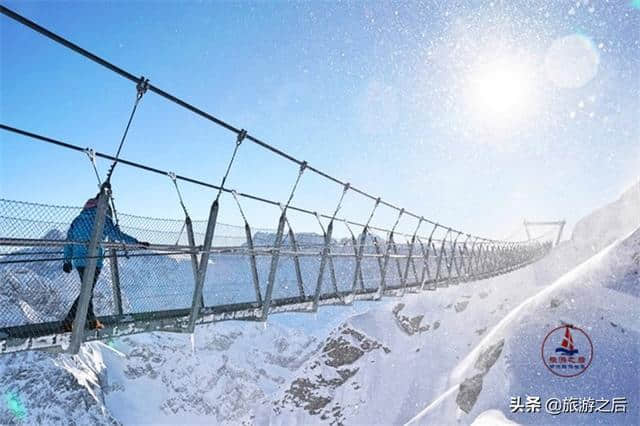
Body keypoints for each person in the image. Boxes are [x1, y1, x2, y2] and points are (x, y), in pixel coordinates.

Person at [62, 194, 149, 332]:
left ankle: (92, 321)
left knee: (87, 291)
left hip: (78, 260)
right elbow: (117, 235)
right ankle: (68, 321)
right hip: (94, 261)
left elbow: (69, 241)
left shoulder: (77, 220)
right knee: (86, 292)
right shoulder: (102, 220)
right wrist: (136, 243)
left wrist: (67, 260)